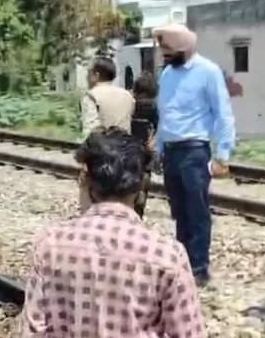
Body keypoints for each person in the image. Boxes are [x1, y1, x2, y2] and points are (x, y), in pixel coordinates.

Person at [18, 127, 205, 337]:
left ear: (86, 180)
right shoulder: (167, 254)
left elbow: (33, 331)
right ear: (141, 183)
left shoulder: (50, 244)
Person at [152, 23, 235, 287]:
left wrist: (223, 154)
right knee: (179, 211)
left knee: (196, 210)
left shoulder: (208, 72)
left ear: (183, 47)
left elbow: (223, 113)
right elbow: (166, 115)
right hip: (172, 152)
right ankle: (183, 261)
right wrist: (158, 149)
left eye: (168, 51)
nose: (164, 56)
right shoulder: (166, 75)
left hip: (195, 151)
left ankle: (199, 267)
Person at [78, 57, 135, 213]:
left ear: (96, 74)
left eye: (88, 73)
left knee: (92, 204)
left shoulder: (91, 96)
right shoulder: (127, 96)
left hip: (100, 155)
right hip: (125, 154)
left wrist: (84, 159)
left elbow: (90, 129)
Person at [130, 72, 159, 219]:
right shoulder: (156, 107)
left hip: (130, 149)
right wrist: (154, 141)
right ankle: (138, 211)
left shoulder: (131, 104)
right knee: (144, 180)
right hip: (146, 149)